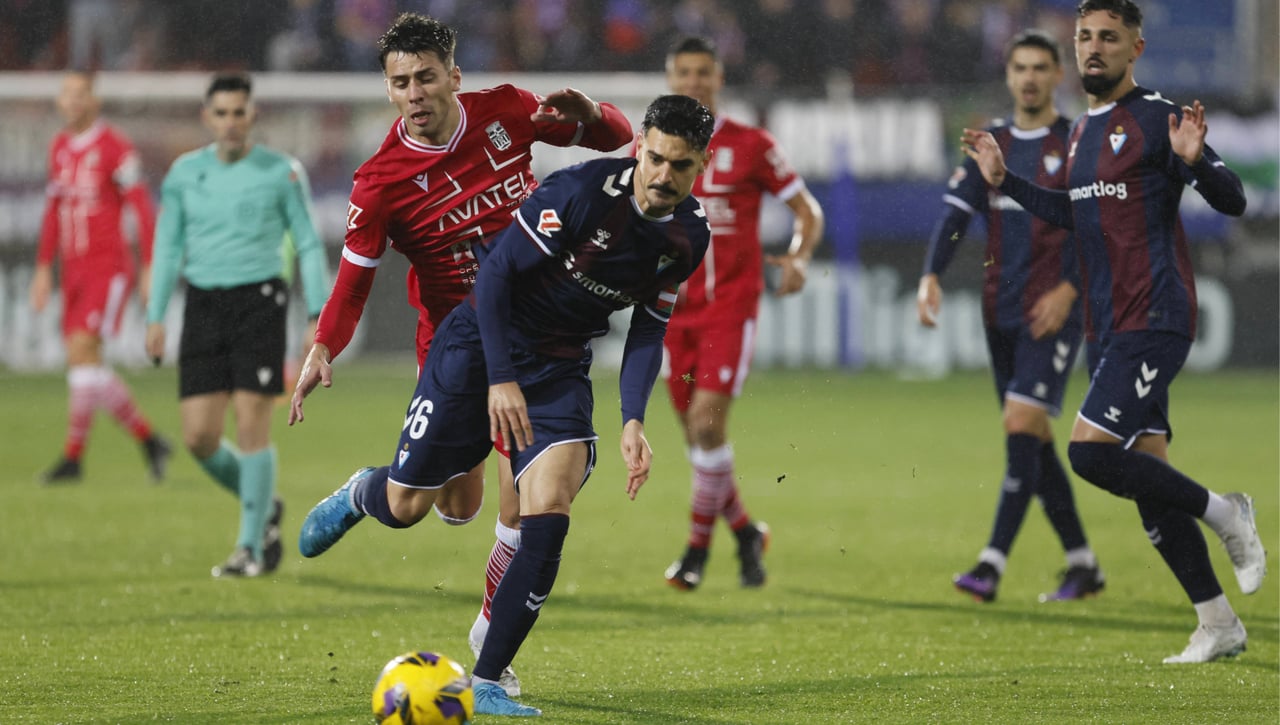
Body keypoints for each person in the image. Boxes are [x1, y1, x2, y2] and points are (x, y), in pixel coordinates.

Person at [294, 93, 713, 716]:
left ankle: (487, 679)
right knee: (412, 506)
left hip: (560, 368)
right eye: (654, 158)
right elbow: (493, 281)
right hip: (478, 348)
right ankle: (365, 492)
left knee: (548, 506)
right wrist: (499, 379)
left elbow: (650, 330)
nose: (662, 176)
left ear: (699, 165)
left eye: (680, 166)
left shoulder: (688, 236)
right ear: (640, 147)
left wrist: (633, 420)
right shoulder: (579, 193)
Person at [286, 12, 633, 695]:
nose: (414, 92)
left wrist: (596, 112)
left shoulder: (503, 114)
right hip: (457, 345)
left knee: (527, 500)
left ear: (453, 75)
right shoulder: (380, 181)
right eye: (399, 82)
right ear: (388, 91)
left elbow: (613, 141)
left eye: (424, 77)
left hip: (538, 337)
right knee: (442, 505)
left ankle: (488, 640)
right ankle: (366, 489)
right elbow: (353, 283)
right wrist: (323, 345)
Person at [960, 0, 1265, 663]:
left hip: (1155, 314)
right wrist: (1004, 179)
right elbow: (1073, 214)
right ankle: (1217, 621)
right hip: (1108, 326)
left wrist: (1199, 163)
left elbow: (1235, 198)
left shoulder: (1156, 118)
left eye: (1109, 37)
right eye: (1085, 37)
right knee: (1146, 482)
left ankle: (1225, 512)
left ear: (1136, 48)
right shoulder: (1081, 134)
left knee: (1090, 453)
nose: (1093, 47)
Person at [917, 29, 1104, 603]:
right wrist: (931, 275)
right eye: (1019, 67)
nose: (1028, 77)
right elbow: (955, 214)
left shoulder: (1076, 141)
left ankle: (991, 564)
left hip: (1052, 313)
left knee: (1022, 427)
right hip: (999, 308)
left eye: (1039, 68)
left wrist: (1072, 290)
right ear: (1009, 75)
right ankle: (1082, 563)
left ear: (1056, 76)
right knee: (1033, 439)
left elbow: (1099, 229)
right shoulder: (990, 142)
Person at [146, 72, 331, 578]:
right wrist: (155, 314)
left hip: (260, 301)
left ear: (253, 116)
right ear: (207, 118)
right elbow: (166, 246)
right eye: (221, 113)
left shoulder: (282, 172)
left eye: (238, 112)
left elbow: (310, 242)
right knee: (199, 438)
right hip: (204, 304)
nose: (230, 122)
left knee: (252, 422)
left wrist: (318, 311)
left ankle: (249, 546)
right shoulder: (185, 174)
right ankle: (264, 503)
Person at [659, 36, 824, 591]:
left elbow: (807, 209)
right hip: (671, 313)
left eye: (703, 71)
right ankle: (746, 532)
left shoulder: (751, 144)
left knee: (707, 426)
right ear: (671, 76)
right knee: (699, 440)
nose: (694, 81)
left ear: (719, 77)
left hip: (729, 309)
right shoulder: (656, 148)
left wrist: (799, 257)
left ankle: (695, 553)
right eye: (684, 72)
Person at [31, 69, 172, 486]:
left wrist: (149, 266)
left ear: (94, 100)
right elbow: (53, 213)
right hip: (72, 270)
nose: (73, 101)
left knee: (82, 352)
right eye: (67, 93)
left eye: (81, 94)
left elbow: (142, 209)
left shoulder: (115, 147)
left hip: (107, 269)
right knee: (86, 363)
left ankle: (73, 457)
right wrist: (43, 268)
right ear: (60, 101)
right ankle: (149, 440)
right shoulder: (58, 147)